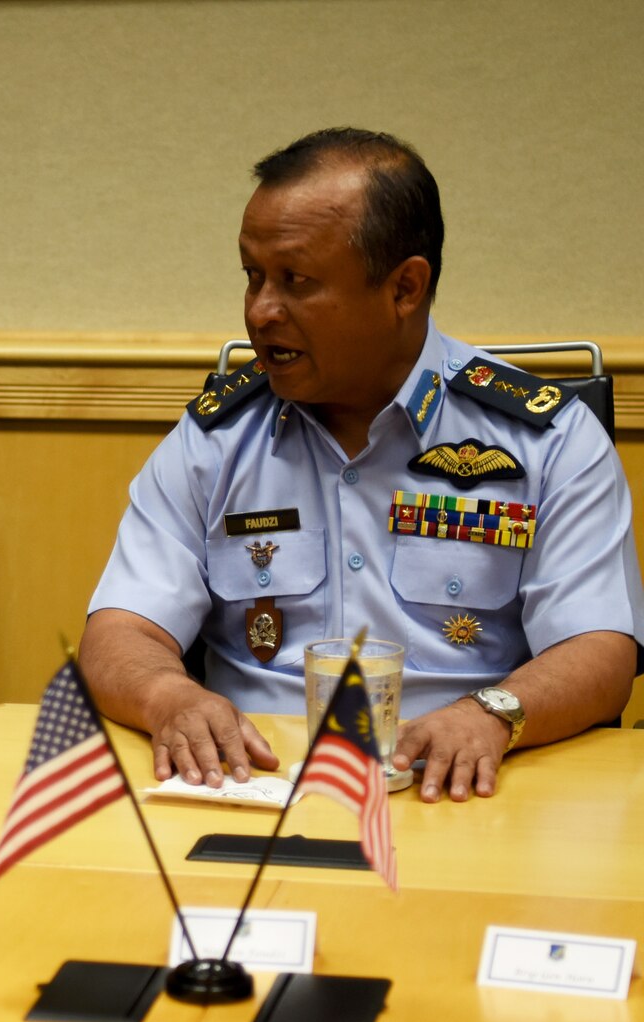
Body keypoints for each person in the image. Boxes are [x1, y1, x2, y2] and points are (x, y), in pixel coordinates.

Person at [81, 128, 644, 804]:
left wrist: (491, 715)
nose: (261, 311)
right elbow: (120, 630)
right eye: (253, 277)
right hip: (251, 787)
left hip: (463, 787)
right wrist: (169, 696)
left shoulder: (547, 441)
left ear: (405, 288)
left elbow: (601, 648)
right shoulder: (215, 439)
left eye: (297, 281)